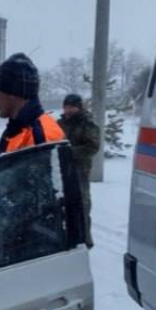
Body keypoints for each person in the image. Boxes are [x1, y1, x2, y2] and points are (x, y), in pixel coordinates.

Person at [0, 53, 67, 265]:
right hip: (14, 243)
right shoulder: (17, 130)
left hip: (30, 253)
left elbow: (43, 207)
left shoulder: (41, 135)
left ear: (13, 93)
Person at [58, 93, 100, 248]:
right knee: (62, 206)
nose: (68, 110)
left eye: (72, 107)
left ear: (79, 108)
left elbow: (92, 147)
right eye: (66, 106)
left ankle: (85, 240)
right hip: (61, 171)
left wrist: (69, 152)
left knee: (82, 205)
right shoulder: (60, 123)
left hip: (79, 171)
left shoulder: (87, 125)